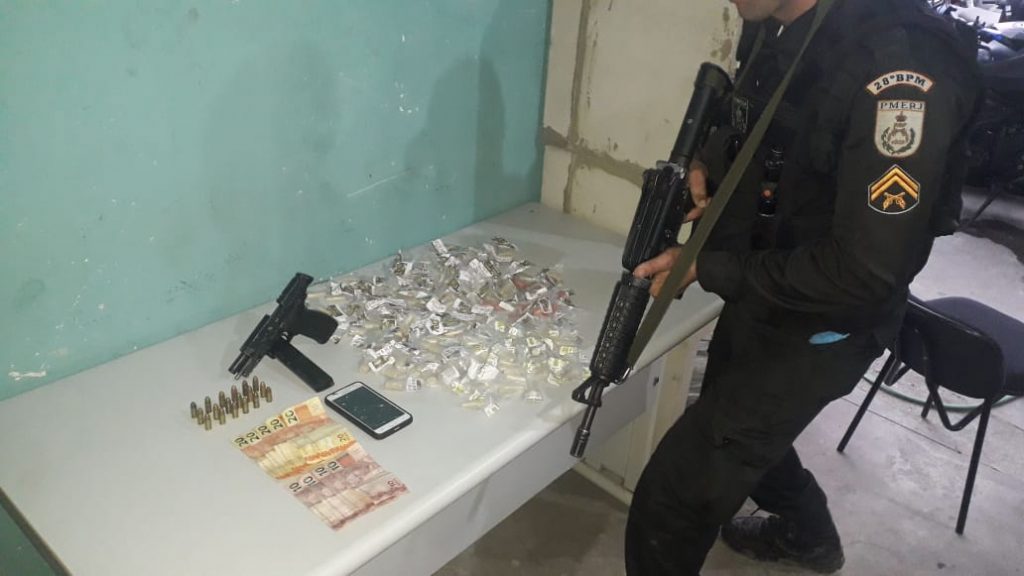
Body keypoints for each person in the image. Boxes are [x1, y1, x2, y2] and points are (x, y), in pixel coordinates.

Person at [624, 0, 981, 574]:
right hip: (764, 297)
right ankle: (809, 535)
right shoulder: (780, 25)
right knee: (742, 439)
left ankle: (802, 531)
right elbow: (766, 126)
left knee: (674, 496)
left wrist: (706, 269)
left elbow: (864, 271)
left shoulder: (901, 68)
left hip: (823, 328)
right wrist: (709, 162)